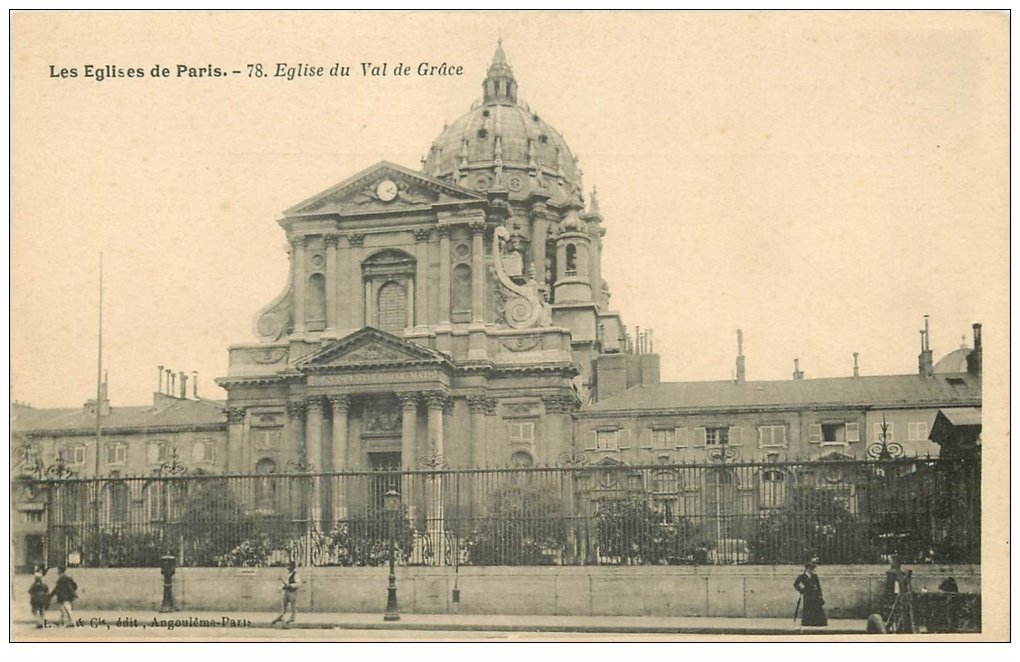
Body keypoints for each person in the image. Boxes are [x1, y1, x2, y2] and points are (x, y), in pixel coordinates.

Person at [793, 562, 828, 627]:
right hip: (807, 595)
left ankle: (818, 622)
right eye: (809, 569)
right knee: (808, 608)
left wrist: (820, 594)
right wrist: (802, 591)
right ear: (806, 569)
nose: (811, 570)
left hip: (815, 594)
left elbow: (818, 586)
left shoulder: (815, 576)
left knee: (817, 608)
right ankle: (807, 622)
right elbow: (795, 584)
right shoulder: (802, 576)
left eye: (812, 569)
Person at [271, 560, 300, 625]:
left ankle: (292, 617)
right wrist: (282, 587)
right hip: (286, 591)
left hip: (292, 592)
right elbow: (285, 583)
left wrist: (291, 586)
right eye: (288, 566)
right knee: (283, 605)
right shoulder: (288, 574)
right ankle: (281, 616)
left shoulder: (295, 575)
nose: (288, 567)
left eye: (290, 566)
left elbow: (298, 583)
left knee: (293, 606)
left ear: (293, 567)